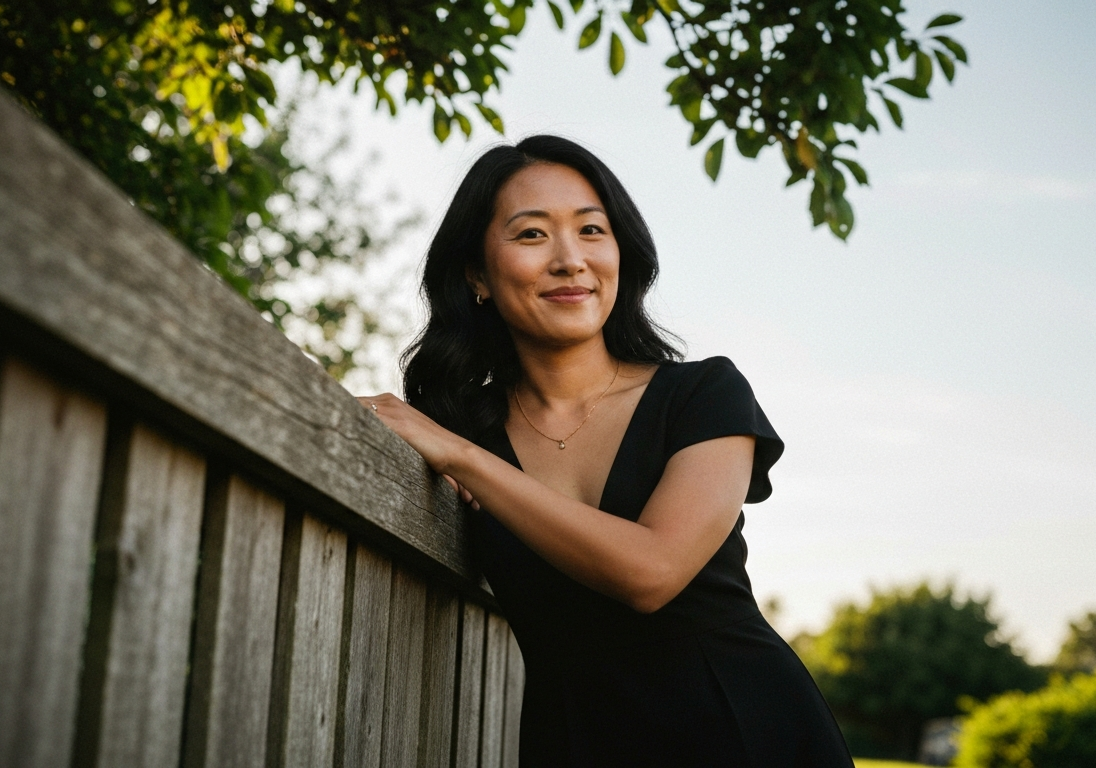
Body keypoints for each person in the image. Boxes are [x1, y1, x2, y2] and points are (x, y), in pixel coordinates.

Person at [358, 135, 852, 768]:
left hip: (746, 731)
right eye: (532, 235)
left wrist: (463, 459)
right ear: (476, 273)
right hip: (576, 743)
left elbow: (651, 574)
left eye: (592, 230)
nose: (571, 260)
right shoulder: (461, 428)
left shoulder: (704, 395)